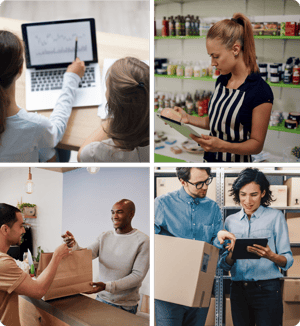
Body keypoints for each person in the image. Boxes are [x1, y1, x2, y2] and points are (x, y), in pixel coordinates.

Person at [173, 13, 273, 163]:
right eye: (210, 57)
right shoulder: (222, 81)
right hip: (210, 162)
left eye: (216, 56)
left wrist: (223, 146)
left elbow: (256, 145)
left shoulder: (260, 91)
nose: (212, 63)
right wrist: (188, 118)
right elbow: (217, 122)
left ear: (235, 49)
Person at [154, 167, 235, 326]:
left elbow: (214, 246)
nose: (205, 186)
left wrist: (219, 238)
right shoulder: (162, 204)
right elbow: (151, 242)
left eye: (207, 181)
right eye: (199, 183)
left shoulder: (212, 208)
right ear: (183, 181)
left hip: (200, 286)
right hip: (169, 289)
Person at [219, 168, 294, 326]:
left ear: (263, 193)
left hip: (267, 289)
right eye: (243, 194)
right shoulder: (230, 221)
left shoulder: (275, 217)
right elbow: (223, 264)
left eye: (253, 194)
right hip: (238, 290)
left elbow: (287, 260)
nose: (248, 200)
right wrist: (232, 253)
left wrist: (270, 255)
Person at [0, 30, 85, 163]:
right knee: (56, 148)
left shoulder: (34, 126)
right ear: (20, 69)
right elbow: (56, 131)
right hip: (27, 179)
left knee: (44, 146)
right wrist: (71, 78)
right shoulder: (35, 125)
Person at [62, 199, 150, 314]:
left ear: (131, 214)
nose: (115, 216)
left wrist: (106, 286)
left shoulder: (143, 241)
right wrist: (73, 245)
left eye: (119, 212)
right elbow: (85, 256)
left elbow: (137, 276)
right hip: (101, 300)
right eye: (112, 212)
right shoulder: (104, 236)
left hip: (124, 307)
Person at [0, 204, 71, 326]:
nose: (23, 230)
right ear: (5, 229)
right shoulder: (3, 263)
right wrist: (57, 256)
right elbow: (38, 290)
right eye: (21, 226)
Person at [78, 57, 150, 163]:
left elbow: (81, 156)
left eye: (107, 88)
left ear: (111, 104)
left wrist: (110, 120)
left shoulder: (95, 153)